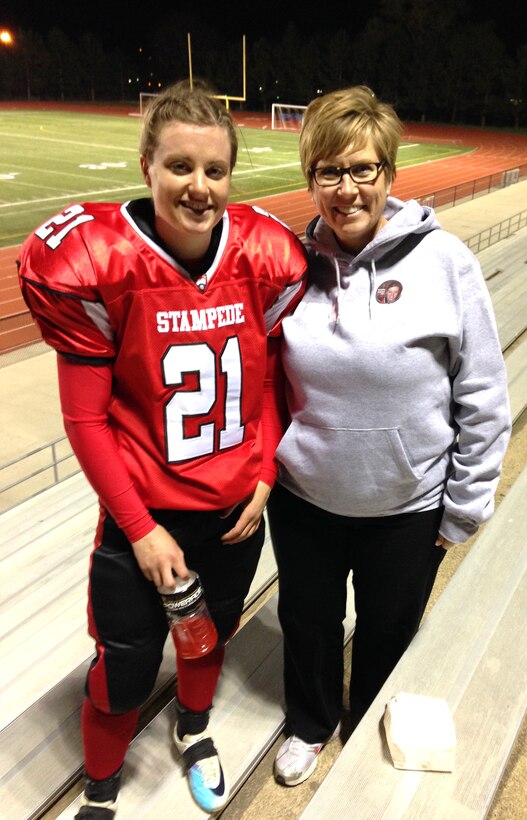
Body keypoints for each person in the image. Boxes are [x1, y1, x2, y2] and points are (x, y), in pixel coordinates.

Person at [17, 79, 306, 817]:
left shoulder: (262, 254)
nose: (198, 186)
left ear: (231, 176)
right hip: (143, 517)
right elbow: (85, 421)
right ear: (147, 164)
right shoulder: (102, 262)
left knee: (207, 644)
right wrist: (140, 528)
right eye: (180, 166)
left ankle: (194, 729)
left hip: (235, 512)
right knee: (122, 670)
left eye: (214, 170)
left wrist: (266, 473)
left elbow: (270, 384)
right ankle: (101, 789)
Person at [267, 86, 512, 787]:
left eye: (362, 170)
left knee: (385, 632)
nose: (345, 189)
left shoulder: (444, 262)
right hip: (307, 500)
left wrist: (462, 506)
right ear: (311, 177)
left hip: (407, 509)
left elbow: (483, 392)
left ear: (389, 174)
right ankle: (310, 723)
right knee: (308, 627)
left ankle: (365, 714)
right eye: (328, 172)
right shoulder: (287, 266)